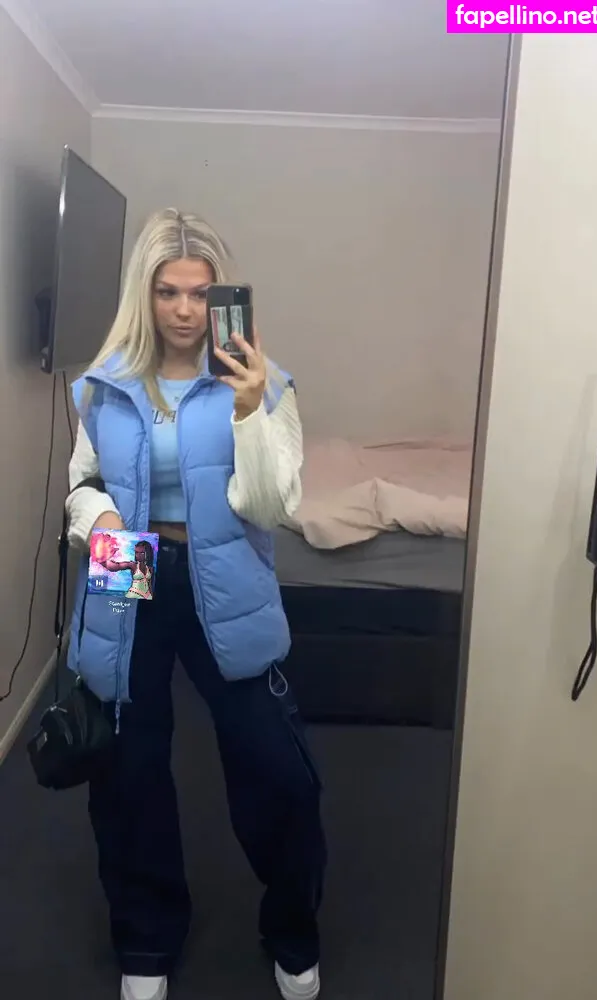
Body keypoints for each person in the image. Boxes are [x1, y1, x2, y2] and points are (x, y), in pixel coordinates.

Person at [65, 208, 326, 1000]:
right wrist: (99, 520)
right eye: (167, 292)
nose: (183, 310)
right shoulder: (106, 385)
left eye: (200, 294)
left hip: (224, 566)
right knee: (127, 767)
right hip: (128, 561)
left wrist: (249, 411)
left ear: (223, 299)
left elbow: (273, 505)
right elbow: (82, 484)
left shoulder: (263, 385)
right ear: (143, 296)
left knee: (277, 771)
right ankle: (145, 939)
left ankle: (292, 928)